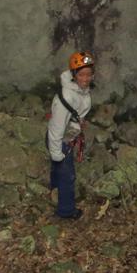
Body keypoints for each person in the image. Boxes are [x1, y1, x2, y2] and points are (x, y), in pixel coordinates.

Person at [47, 51, 94, 219]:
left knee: (58, 169)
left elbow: (77, 111)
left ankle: (53, 187)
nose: (86, 78)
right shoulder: (66, 97)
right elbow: (55, 128)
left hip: (68, 136)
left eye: (89, 74)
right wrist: (57, 153)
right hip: (60, 140)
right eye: (82, 74)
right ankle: (66, 211)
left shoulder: (79, 90)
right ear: (74, 75)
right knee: (68, 177)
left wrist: (78, 123)